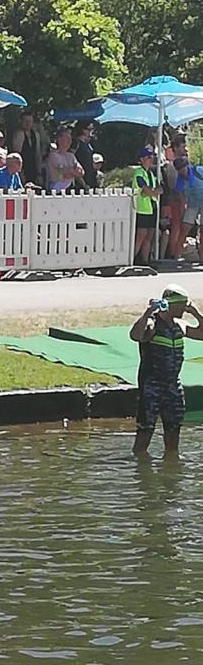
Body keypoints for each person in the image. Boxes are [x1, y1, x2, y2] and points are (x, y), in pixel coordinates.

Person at [130, 284, 203, 456]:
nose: (184, 309)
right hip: (152, 387)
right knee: (145, 431)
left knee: (173, 432)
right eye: (182, 305)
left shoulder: (180, 325)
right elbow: (135, 335)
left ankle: (171, 465)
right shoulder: (153, 323)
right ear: (172, 304)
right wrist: (147, 313)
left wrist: (196, 312)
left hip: (173, 387)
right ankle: (141, 466)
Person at [132, 146, 159, 265]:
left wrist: (151, 192)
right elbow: (144, 188)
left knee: (149, 235)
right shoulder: (139, 172)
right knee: (141, 235)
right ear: (142, 159)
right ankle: (132, 259)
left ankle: (145, 260)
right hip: (142, 209)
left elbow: (160, 188)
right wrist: (152, 192)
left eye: (152, 156)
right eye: (149, 157)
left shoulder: (151, 173)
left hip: (152, 208)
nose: (151, 159)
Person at [174, 155, 203, 262]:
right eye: (179, 169)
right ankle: (176, 256)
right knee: (184, 229)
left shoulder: (198, 171)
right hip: (192, 204)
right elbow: (181, 197)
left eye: (183, 168)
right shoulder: (179, 181)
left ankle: (202, 257)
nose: (182, 171)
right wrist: (183, 212)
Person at [10, 110, 46, 186]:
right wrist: (19, 171)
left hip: (33, 168)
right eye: (25, 121)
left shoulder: (36, 134)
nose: (28, 123)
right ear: (21, 121)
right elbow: (17, 154)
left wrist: (39, 172)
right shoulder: (19, 134)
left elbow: (37, 154)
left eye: (30, 121)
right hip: (23, 168)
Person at [73, 121, 97, 188]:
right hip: (81, 178)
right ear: (82, 130)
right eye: (89, 129)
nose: (90, 131)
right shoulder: (76, 143)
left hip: (90, 176)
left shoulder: (87, 143)